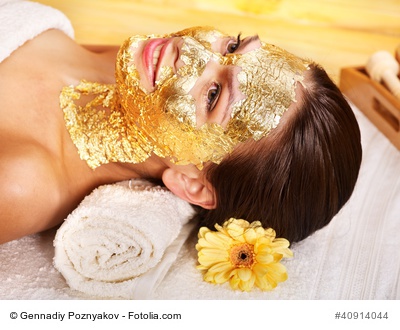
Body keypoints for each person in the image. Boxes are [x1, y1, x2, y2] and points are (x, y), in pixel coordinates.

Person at [0, 1, 362, 245]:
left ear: (194, 184)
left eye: (212, 96)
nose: (191, 48)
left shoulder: (19, 186)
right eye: (233, 47)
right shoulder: (133, 68)